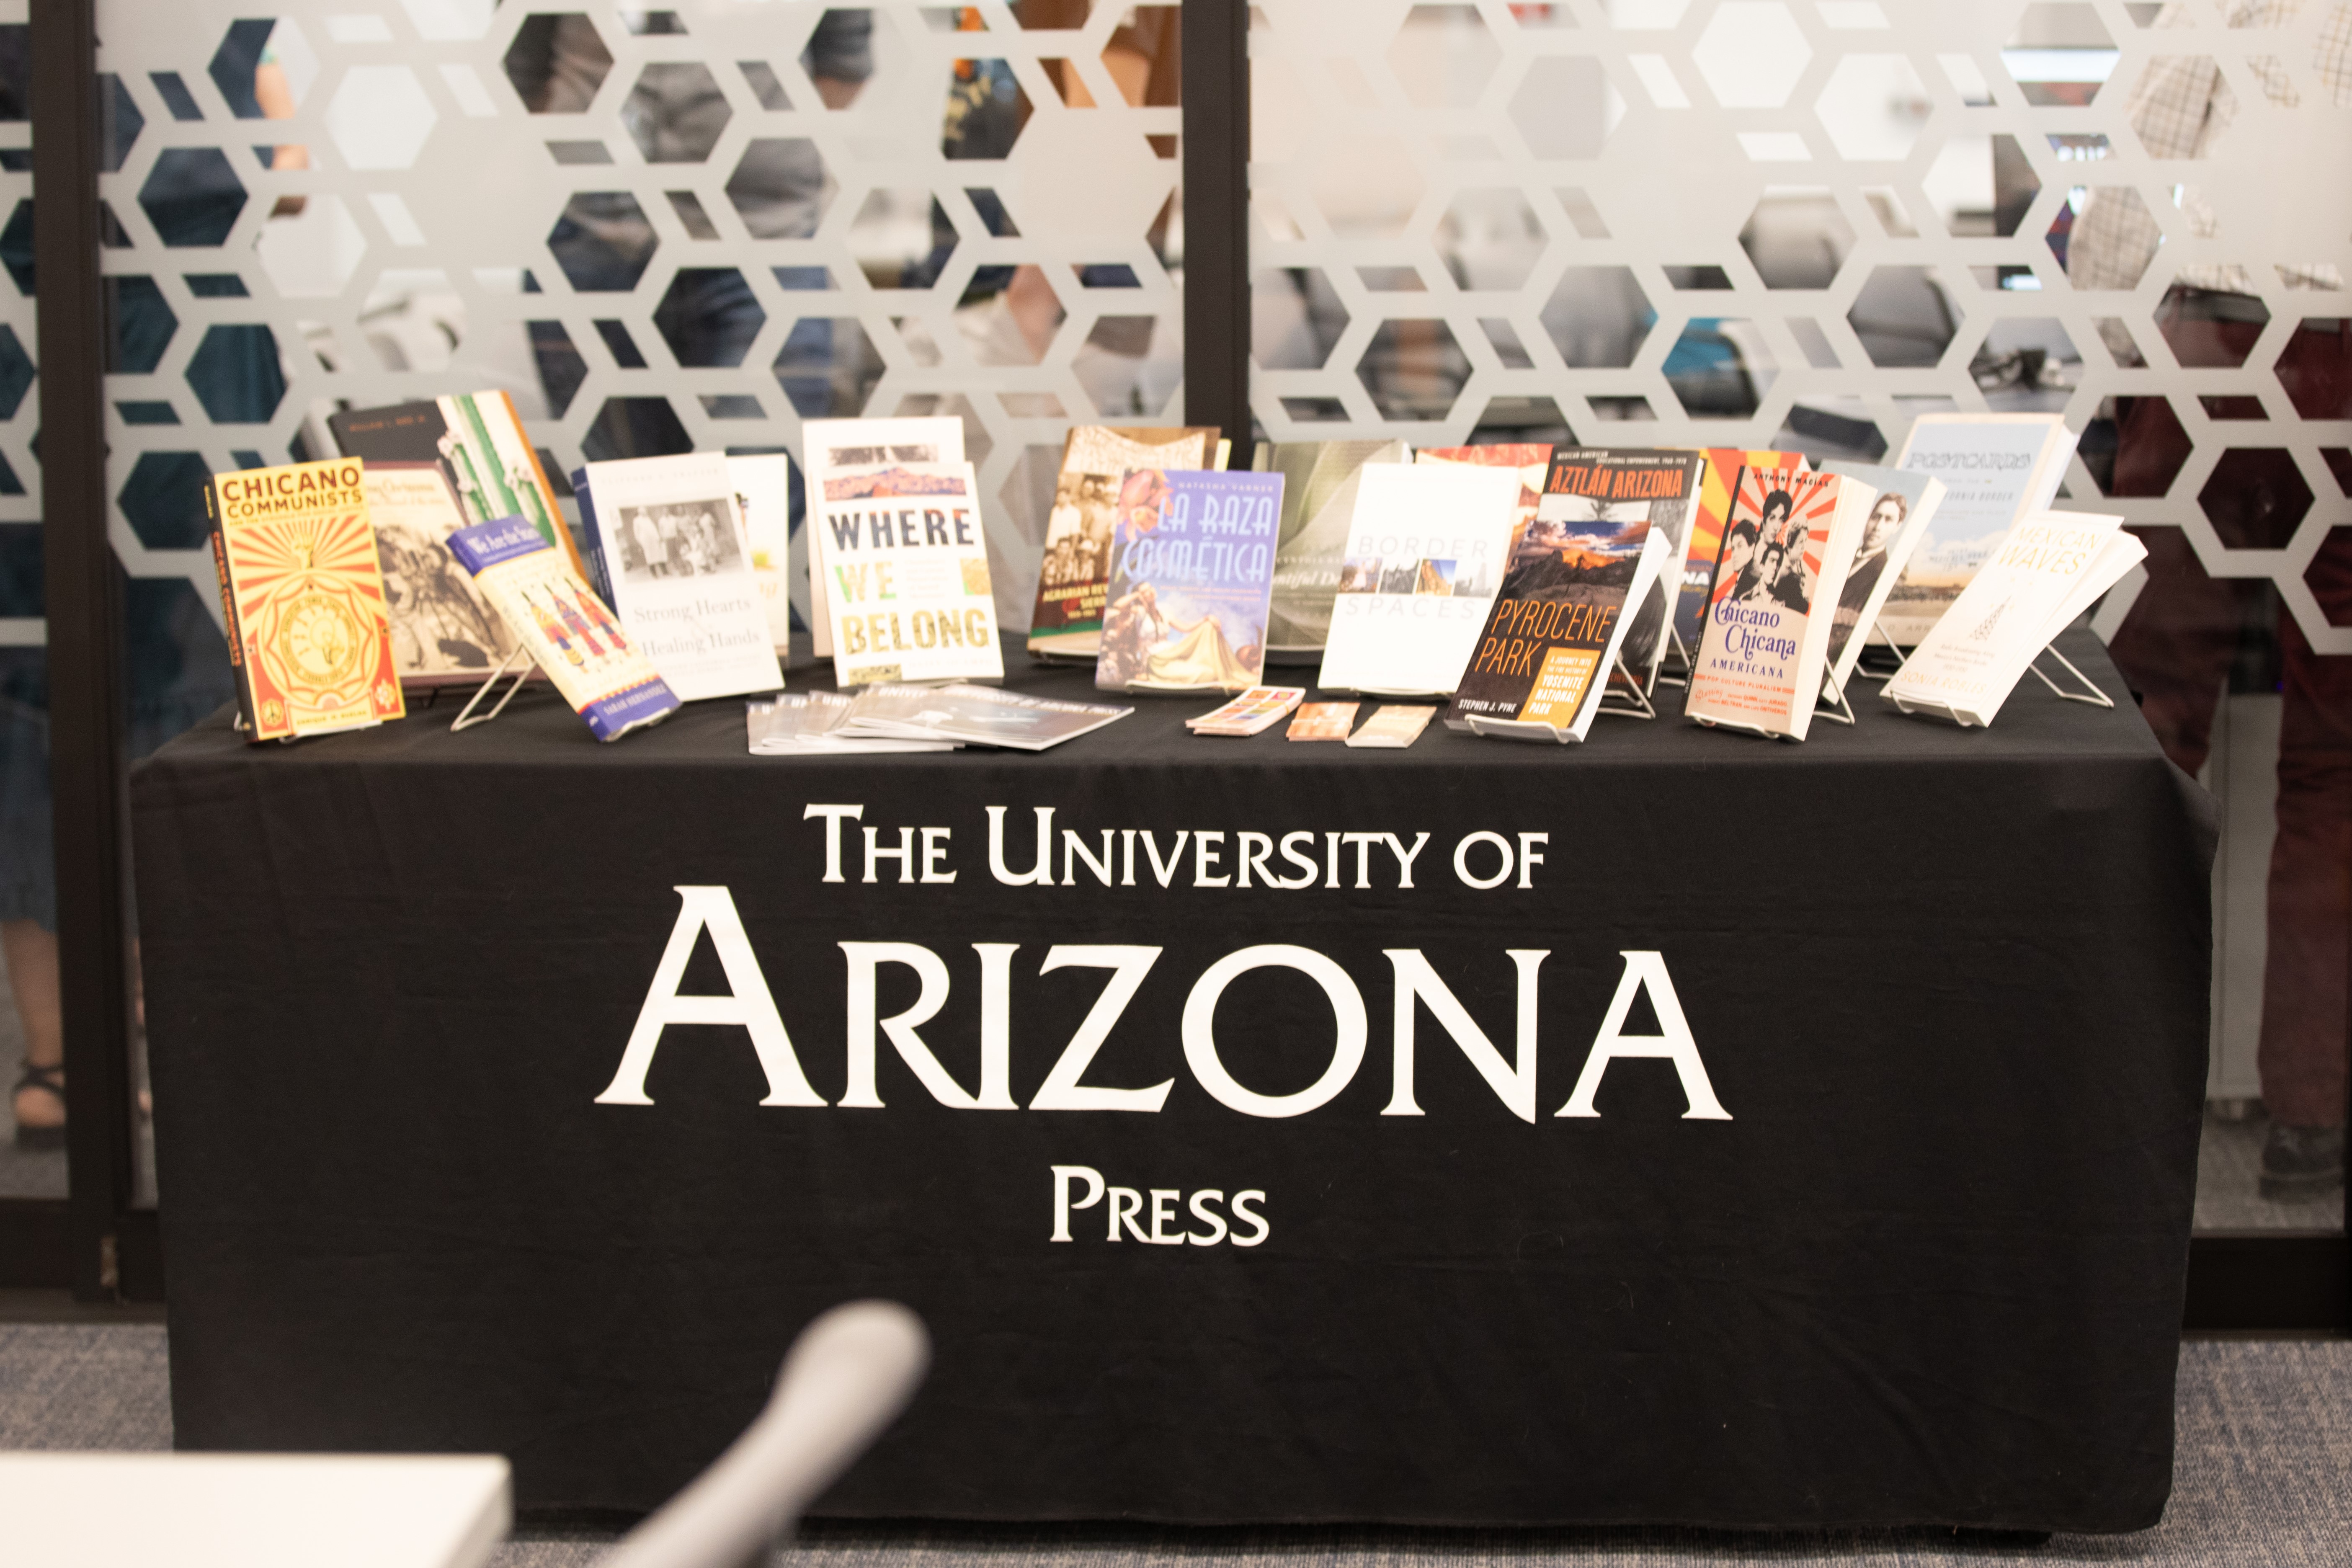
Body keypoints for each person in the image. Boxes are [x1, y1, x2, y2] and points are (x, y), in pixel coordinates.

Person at [2069, 0, 2352, 1198]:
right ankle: (2310, 1124)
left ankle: (2097, 1095)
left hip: (2213, 354)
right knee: (2338, 767)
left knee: (2150, 742)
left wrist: (2101, 371)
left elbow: (2124, 210)